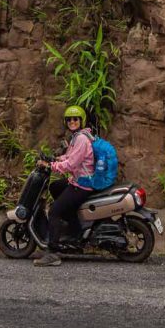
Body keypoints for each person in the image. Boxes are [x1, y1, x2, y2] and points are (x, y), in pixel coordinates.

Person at [33, 105, 94, 267]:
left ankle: (53, 253)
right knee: (55, 187)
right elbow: (70, 157)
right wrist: (56, 159)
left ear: (81, 120)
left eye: (75, 119)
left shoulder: (81, 138)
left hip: (82, 185)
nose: (72, 122)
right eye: (69, 119)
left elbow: (72, 164)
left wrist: (50, 166)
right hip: (78, 180)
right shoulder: (78, 136)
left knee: (53, 212)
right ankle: (74, 231)